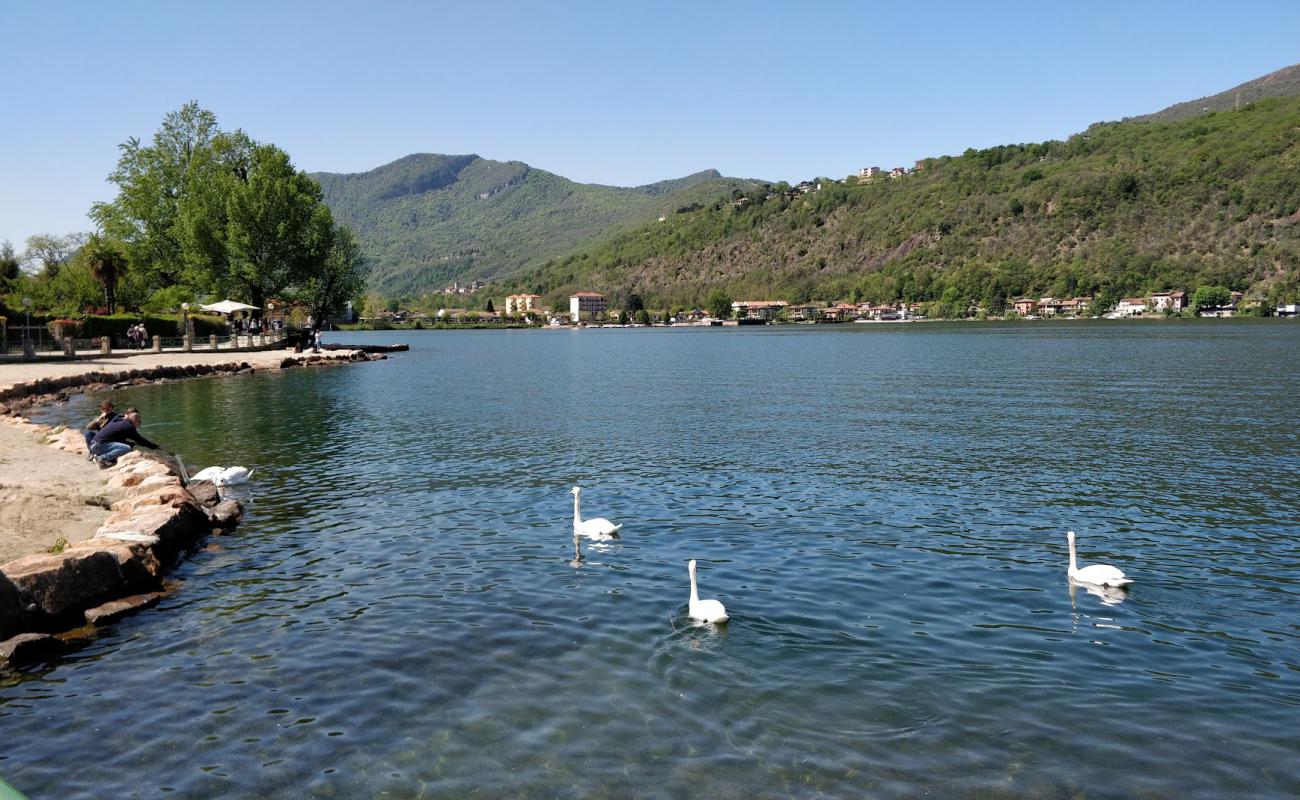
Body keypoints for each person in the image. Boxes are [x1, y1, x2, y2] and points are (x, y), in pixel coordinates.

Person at [90, 407, 160, 468]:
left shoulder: (119, 419)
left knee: (128, 445)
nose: (139, 423)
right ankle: (101, 458)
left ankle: (99, 456)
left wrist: (134, 443)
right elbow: (140, 440)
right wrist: (156, 447)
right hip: (99, 445)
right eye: (138, 420)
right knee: (127, 448)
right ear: (135, 419)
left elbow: (121, 439)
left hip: (95, 444)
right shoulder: (128, 426)